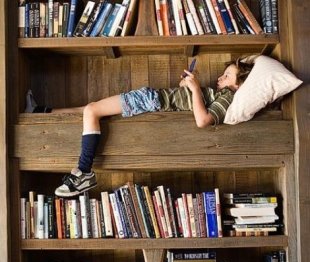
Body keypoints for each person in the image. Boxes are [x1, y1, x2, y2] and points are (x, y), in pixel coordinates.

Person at [25, 59, 253, 197]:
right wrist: (188, 85)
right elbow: (191, 102)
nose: (221, 78)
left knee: (91, 111)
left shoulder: (228, 97)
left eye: (227, 76)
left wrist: (194, 89)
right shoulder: (222, 93)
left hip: (152, 100)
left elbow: (203, 120)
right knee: (89, 109)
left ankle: (84, 171)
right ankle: (40, 112)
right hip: (155, 98)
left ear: (240, 84)